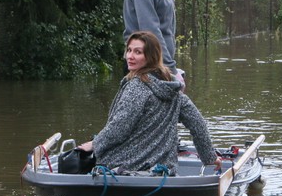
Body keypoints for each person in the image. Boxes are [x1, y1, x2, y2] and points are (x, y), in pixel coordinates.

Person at [78, 31, 220, 174]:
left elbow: (120, 127)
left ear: (151, 57)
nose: (130, 56)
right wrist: (210, 158)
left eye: (138, 52)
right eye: (129, 50)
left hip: (124, 165)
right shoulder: (174, 90)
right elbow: (198, 123)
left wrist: (94, 144)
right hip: (163, 169)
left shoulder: (136, 86)